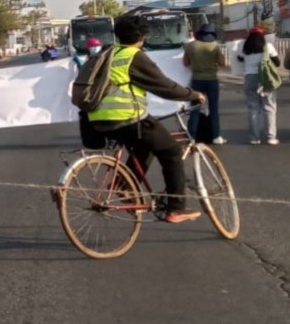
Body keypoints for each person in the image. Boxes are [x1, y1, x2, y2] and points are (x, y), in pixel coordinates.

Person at [83, 13, 207, 224]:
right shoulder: (134, 56)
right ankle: (176, 208)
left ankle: (125, 187)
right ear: (143, 37)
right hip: (126, 117)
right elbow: (164, 86)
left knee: (146, 145)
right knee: (171, 151)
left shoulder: (108, 54)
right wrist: (193, 95)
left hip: (95, 120)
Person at [183, 24, 230, 144]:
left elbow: (185, 63)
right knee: (213, 108)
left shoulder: (190, 46)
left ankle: (192, 137)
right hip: (212, 80)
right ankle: (216, 137)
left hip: (197, 80)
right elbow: (222, 63)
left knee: (195, 108)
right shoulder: (215, 46)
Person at [237, 28, 281, 145]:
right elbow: (277, 62)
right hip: (266, 79)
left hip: (250, 78)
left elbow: (239, 58)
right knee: (269, 108)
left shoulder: (244, 48)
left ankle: (254, 138)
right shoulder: (268, 47)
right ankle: (271, 137)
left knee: (253, 108)